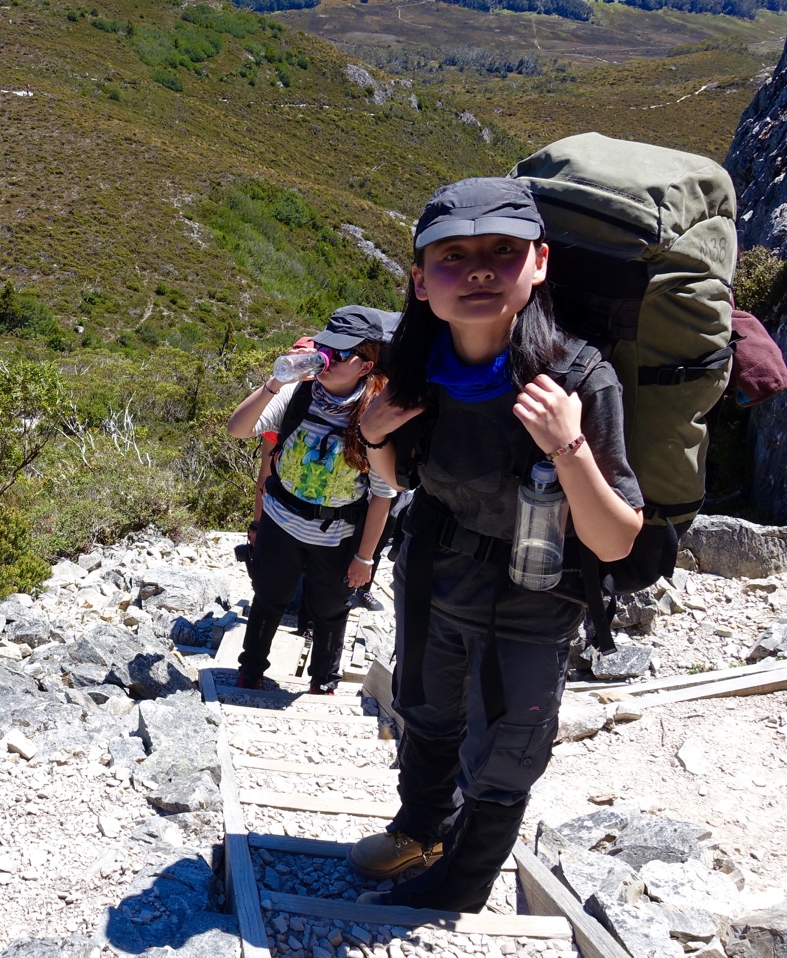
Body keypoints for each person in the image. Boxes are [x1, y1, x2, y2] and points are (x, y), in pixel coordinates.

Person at [348, 178, 643, 911]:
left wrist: (568, 446)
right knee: (425, 709)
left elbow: (614, 542)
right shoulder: (418, 367)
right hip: (433, 569)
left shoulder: (577, 378)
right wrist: (377, 434)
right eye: (454, 256)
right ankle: (420, 830)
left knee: (509, 743)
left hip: (535, 588)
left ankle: (460, 886)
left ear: (538, 263)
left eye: (502, 251)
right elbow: (400, 479)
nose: (479, 269)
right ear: (420, 281)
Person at [226, 306, 401, 695]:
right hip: (281, 518)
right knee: (268, 598)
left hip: (337, 533)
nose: (326, 358)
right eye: (324, 347)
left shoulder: (372, 416)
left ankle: (324, 681)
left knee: (330, 610)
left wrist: (365, 557)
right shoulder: (296, 394)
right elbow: (238, 428)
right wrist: (275, 382)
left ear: (365, 366)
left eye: (341, 354)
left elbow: (382, 495)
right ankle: (250, 671)